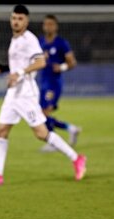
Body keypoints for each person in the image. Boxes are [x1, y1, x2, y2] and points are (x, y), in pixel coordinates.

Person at [0, 4, 86, 186]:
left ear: (26, 21)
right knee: (2, 131)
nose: (16, 21)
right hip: (13, 93)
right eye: (14, 18)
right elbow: (22, 63)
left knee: (41, 133)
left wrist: (19, 73)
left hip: (26, 93)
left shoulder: (29, 39)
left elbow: (41, 62)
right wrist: (5, 68)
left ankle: (76, 158)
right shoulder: (15, 39)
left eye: (20, 19)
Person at [38, 14, 82, 152]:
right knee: (41, 114)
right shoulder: (40, 42)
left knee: (44, 113)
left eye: (51, 24)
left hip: (54, 83)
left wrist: (61, 67)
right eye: (46, 24)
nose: (48, 26)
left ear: (55, 26)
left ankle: (53, 141)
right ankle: (71, 129)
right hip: (43, 82)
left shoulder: (61, 43)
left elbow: (72, 62)